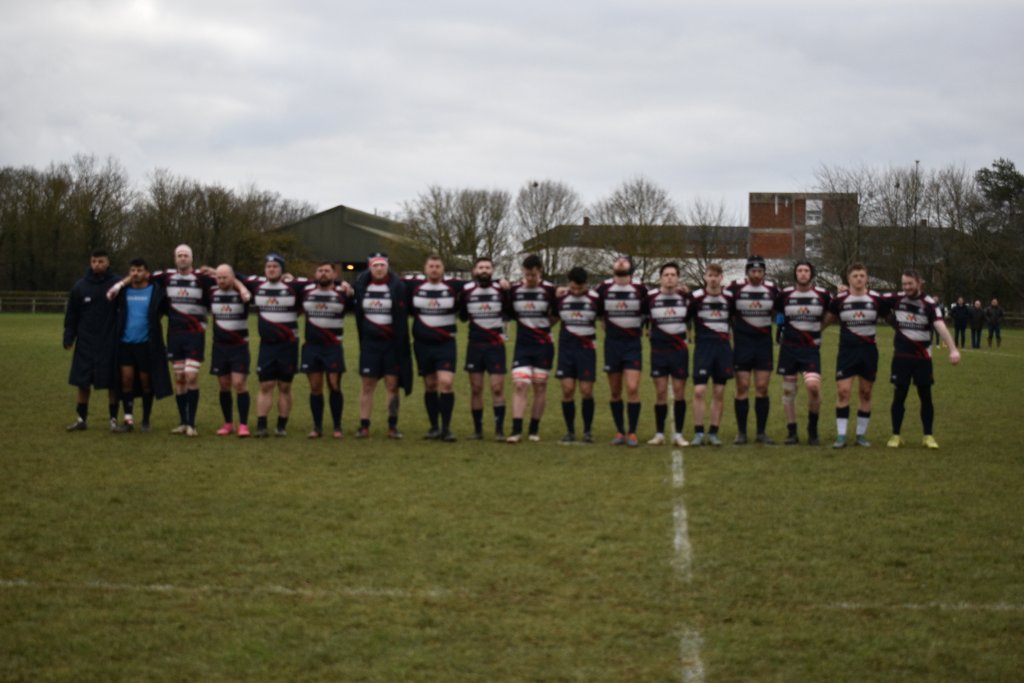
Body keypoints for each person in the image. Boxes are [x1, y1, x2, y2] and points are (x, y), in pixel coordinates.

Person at [885, 269, 960, 449]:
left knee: (925, 396)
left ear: (919, 283)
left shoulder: (929, 304)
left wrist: (953, 349)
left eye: (910, 283)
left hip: (922, 357)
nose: (906, 287)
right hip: (901, 356)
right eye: (904, 284)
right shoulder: (896, 298)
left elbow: (940, 325)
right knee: (899, 396)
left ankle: (928, 436)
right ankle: (896, 435)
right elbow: (872, 299)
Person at [241, 253, 307, 437]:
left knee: (285, 387)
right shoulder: (256, 284)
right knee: (266, 385)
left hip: (289, 345)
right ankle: (261, 425)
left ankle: (281, 426)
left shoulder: (294, 286)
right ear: (264, 269)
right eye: (268, 266)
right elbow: (231, 276)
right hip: (267, 346)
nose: (271, 269)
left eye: (275, 266)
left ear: (282, 269)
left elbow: (319, 283)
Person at [827, 263, 890, 448]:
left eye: (862, 275)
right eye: (855, 276)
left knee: (866, 392)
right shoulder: (839, 300)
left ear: (867, 278)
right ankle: (841, 435)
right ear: (849, 279)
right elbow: (827, 319)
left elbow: (891, 319)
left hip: (868, 352)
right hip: (847, 351)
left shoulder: (876, 299)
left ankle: (861, 435)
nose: (859, 279)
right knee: (843, 391)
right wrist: (813, 337)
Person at [352, 252, 413, 439]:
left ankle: (392, 426)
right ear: (370, 268)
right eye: (375, 266)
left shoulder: (398, 287)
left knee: (392, 385)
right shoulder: (361, 286)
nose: (379, 269)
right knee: (367, 385)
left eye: (382, 265)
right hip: (370, 344)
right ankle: (364, 426)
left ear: (387, 267)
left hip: (392, 344)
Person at [406, 255, 466, 442]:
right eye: (431, 266)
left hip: (446, 344)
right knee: (430, 385)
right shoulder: (414, 287)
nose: (434, 269)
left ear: (443, 269)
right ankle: (434, 427)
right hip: (423, 345)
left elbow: (478, 283)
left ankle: (446, 429)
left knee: (446, 383)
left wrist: (501, 281)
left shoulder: (453, 287)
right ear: (425, 269)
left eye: (437, 266)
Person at [110, 258, 172, 432]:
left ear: (146, 273)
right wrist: (121, 284)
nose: (135, 273)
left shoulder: (156, 291)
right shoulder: (123, 291)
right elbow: (108, 297)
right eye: (132, 270)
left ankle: (145, 420)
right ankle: (128, 420)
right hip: (125, 344)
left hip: (147, 345)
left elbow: (169, 312)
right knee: (126, 380)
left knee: (146, 382)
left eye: (139, 270)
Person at [64, 248, 121, 432]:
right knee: (83, 381)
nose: (97, 264)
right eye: (94, 261)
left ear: (108, 262)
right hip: (86, 342)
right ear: (90, 263)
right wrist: (68, 336)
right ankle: (81, 419)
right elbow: (72, 314)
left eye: (101, 261)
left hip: (110, 342)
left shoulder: (117, 284)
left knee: (112, 382)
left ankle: (113, 420)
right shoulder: (80, 287)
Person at [775, 261, 830, 446]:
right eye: (800, 270)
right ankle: (792, 432)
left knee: (813, 387)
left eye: (806, 270)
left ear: (811, 274)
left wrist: (819, 329)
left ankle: (812, 430)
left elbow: (834, 311)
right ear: (795, 274)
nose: (803, 273)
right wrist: (780, 329)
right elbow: (776, 313)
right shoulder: (785, 295)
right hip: (789, 349)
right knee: (788, 391)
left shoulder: (823, 294)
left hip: (810, 349)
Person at [595, 255, 648, 447]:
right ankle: (620, 431)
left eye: (624, 260)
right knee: (615, 391)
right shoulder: (603, 288)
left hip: (632, 345)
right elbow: (596, 309)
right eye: (617, 260)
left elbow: (650, 308)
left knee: (632, 388)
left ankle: (632, 432)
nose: (620, 262)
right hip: (612, 345)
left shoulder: (641, 288)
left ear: (630, 266)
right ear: (612, 266)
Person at [728, 255, 779, 445]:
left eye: (760, 271)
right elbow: (726, 307)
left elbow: (779, 308)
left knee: (762, 387)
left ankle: (761, 432)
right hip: (742, 344)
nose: (756, 275)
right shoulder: (734, 288)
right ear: (747, 272)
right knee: (742, 387)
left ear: (764, 272)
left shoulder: (773, 289)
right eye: (753, 271)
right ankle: (741, 432)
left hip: (763, 344)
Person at [506, 254, 556, 443]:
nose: (530, 279)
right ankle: (516, 429)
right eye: (527, 275)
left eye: (533, 275)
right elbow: (510, 313)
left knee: (540, 386)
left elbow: (557, 313)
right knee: (520, 384)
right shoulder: (515, 291)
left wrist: (544, 327)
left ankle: (534, 429)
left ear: (540, 272)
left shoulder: (550, 290)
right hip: (522, 346)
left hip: (544, 347)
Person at [300, 262, 353, 439]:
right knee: (315, 387)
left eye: (327, 271)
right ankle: (317, 427)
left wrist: (350, 290)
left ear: (334, 275)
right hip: (311, 347)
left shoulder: (342, 294)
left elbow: (356, 299)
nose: (323, 274)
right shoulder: (306, 292)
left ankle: (337, 427)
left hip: (333, 347)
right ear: (315, 274)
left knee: (334, 385)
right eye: (320, 271)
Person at [460, 257, 509, 441]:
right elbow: (463, 316)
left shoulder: (500, 290)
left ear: (493, 270)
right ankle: (477, 430)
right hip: (475, 345)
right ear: (474, 271)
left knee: (497, 388)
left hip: (495, 346)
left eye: (488, 267)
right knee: (476, 388)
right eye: (481, 267)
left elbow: (509, 310)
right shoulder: (466, 291)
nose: (484, 270)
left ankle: (499, 430)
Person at [686, 263, 733, 446]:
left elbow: (736, 318)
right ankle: (698, 432)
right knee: (699, 391)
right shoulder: (696, 297)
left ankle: (713, 432)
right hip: (703, 347)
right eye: (710, 275)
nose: (713, 279)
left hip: (722, 348)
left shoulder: (729, 298)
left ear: (722, 278)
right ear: (705, 277)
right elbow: (685, 317)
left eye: (717, 275)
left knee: (719, 391)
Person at [554, 267, 601, 444]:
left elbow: (606, 317)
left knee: (586, 391)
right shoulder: (561, 298)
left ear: (586, 285)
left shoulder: (596, 299)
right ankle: (570, 431)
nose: (576, 292)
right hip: (566, 349)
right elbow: (551, 317)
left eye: (580, 289)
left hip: (587, 350)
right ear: (568, 283)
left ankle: (587, 431)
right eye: (573, 288)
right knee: (567, 390)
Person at [646, 262, 690, 447]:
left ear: (678, 278)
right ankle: (659, 434)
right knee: (661, 392)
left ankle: (678, 434)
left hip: (679, 351)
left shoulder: (686, 299)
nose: (670, 277)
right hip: (659, 351)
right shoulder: (650, 297)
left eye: (673, 274)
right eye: (666, 275)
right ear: (660, 278)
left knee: (679, 392)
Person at [208, 264, 252, 437]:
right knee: (224, 385)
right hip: (219, 346)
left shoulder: (243, 294)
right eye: (218, 277)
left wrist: (240, 286)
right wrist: (210, 271)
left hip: (239, 346)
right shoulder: (211, 293)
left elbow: (246, 279)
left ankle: (243, 424)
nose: (221, 280)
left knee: (239, 383)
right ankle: (228, 423)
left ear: (233, 278)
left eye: (225, 277)